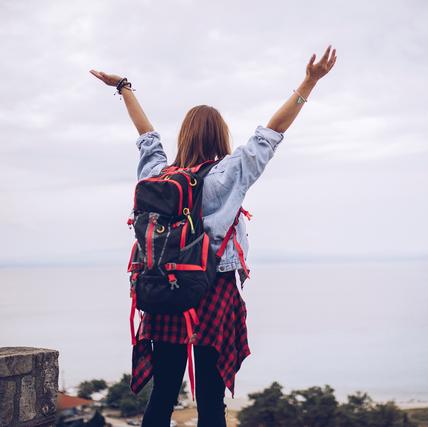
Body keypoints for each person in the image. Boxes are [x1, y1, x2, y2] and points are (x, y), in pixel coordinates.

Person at [89, 44, 337, 427]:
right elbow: (270, 135)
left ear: (185, 135)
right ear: (220, 135)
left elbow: (146, 136)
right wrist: (309, 81)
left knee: (165, 393)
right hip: (212, 289)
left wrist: (124, 87)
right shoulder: (226, 176)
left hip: (162, 289)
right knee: (209, 397)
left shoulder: (157, 174)